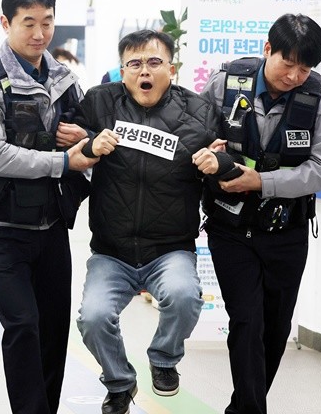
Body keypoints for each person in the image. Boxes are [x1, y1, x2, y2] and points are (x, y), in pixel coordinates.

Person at [0, 0, 98, 414]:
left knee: (54, 330)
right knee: (23, 325)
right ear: (6, 23)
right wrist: (62, 161)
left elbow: (90, 141)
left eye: (47, 22)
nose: (39, 34)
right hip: (1, 229)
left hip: (51, 227)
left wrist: (85, 137)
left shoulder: (64, 80)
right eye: (28, 23)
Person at [195, 13, 321, 414]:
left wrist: (261, 182)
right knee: (247, 322)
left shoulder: (319, 98)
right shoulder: (226, 83)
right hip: (230, 227)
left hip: (286, 231)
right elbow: (195, 136)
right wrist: (209, 151)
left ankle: (242, 407)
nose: (294, 76)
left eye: (304, 69)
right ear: (267, 50)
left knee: (275, 330)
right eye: (287, 63)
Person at [72, 29, 223, 414]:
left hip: (169, 249)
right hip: (112, 251)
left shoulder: (200, 113)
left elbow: (225, 160)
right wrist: (89, 145)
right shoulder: (98, 103)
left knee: (185, 297)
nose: (145, 71)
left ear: (171, 68)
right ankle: (120, 382)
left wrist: (218, 163)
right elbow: (69, 144)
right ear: (122, 71)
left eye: (154, 62)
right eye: (135, 63)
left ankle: (163, 359)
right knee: (92, 318)